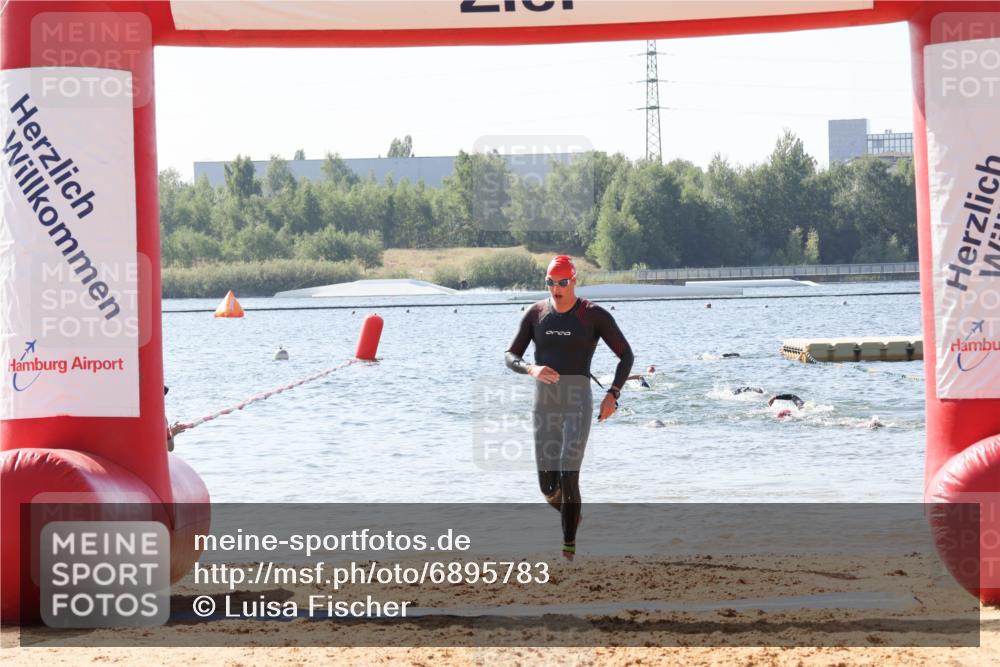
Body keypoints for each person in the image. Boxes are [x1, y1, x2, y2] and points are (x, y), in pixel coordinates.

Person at [505, 255, 634, 560]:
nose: (557, 288)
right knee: (547, 486)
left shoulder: (593, 315)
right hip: (544, 402)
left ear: (574, 281)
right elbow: (510, 355)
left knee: (568, 472)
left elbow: (626, 355)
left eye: (563, 282)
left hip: (578, 400)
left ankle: (568, 550)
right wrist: (530, 369)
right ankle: (572, 513)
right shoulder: (535, 314)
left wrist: (612, 395)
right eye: (551, 282)